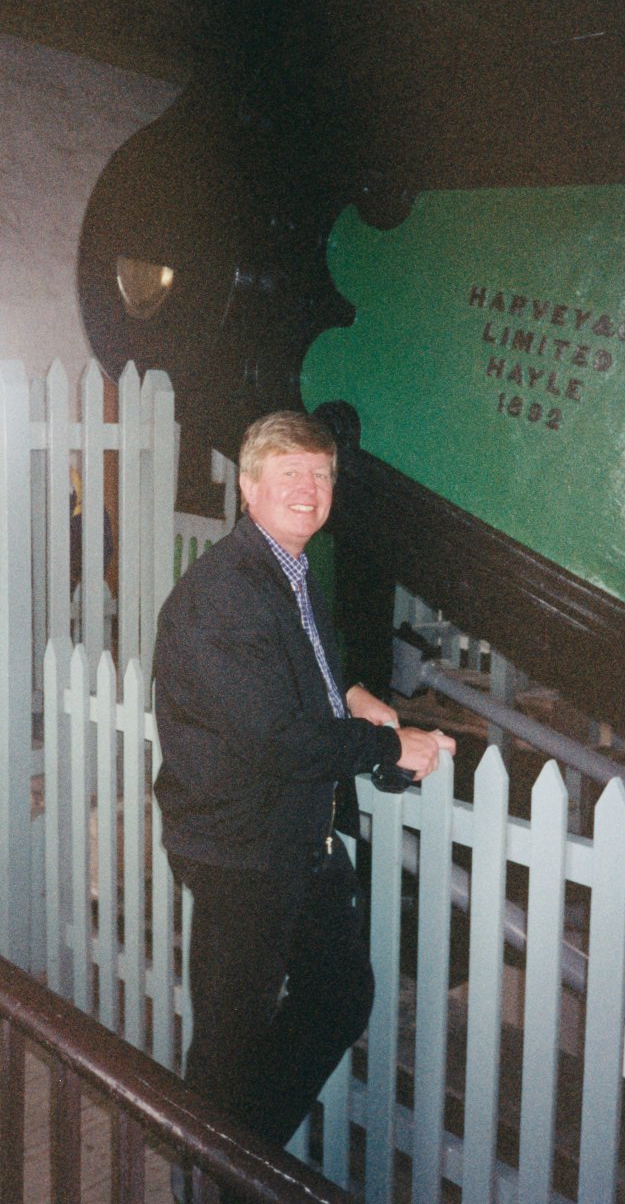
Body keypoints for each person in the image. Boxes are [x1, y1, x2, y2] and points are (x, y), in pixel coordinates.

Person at [154, 410, 455, 1148]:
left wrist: (350, 694)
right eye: (290, 473)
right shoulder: (227, 590)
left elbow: (300, 666)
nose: (309, 488)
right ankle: (221, 1173)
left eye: (320, 475)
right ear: (250, 487)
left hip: (291, 835)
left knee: (338, 995)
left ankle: (238, 1152)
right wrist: (388, 749)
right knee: (233, 1032)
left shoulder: (289, 571)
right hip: (241, 848)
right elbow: (275, 739)